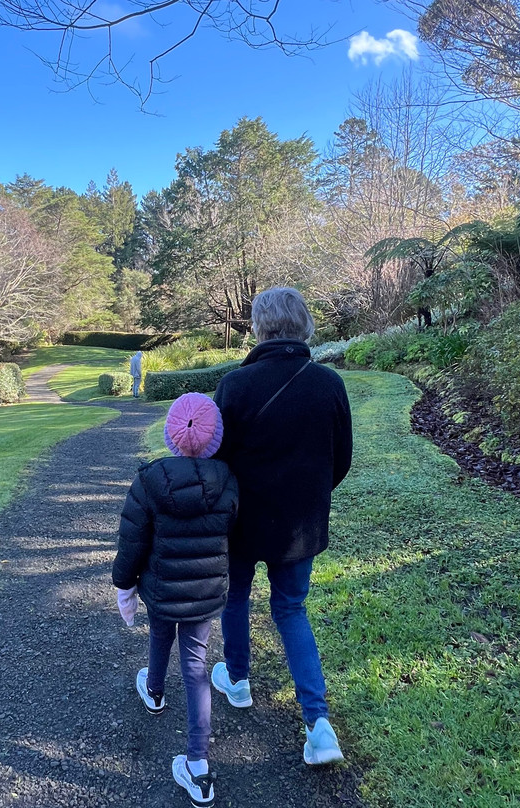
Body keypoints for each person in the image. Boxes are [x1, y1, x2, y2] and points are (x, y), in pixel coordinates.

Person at [209, 286, 353, 766]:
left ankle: (239, 678)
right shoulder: (328, 382)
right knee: (291, 610)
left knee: (235, 597)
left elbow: (216, 459)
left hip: (243, 521)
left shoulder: (234, 385)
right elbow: (341, 460)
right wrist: (306, 495)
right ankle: (318, 724)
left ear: (259, 327)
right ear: (304, 324)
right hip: (301, 523)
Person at [112, 392, 239, 808]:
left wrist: (124, 585)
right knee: (197, 667)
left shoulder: (149, 480)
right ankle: (198, 766)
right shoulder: (228, 480)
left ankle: (153, 689)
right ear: (214, 436)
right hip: (204, 593)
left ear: (171, 434)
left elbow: (132, 541)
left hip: (161, 589)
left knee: (160, 632)